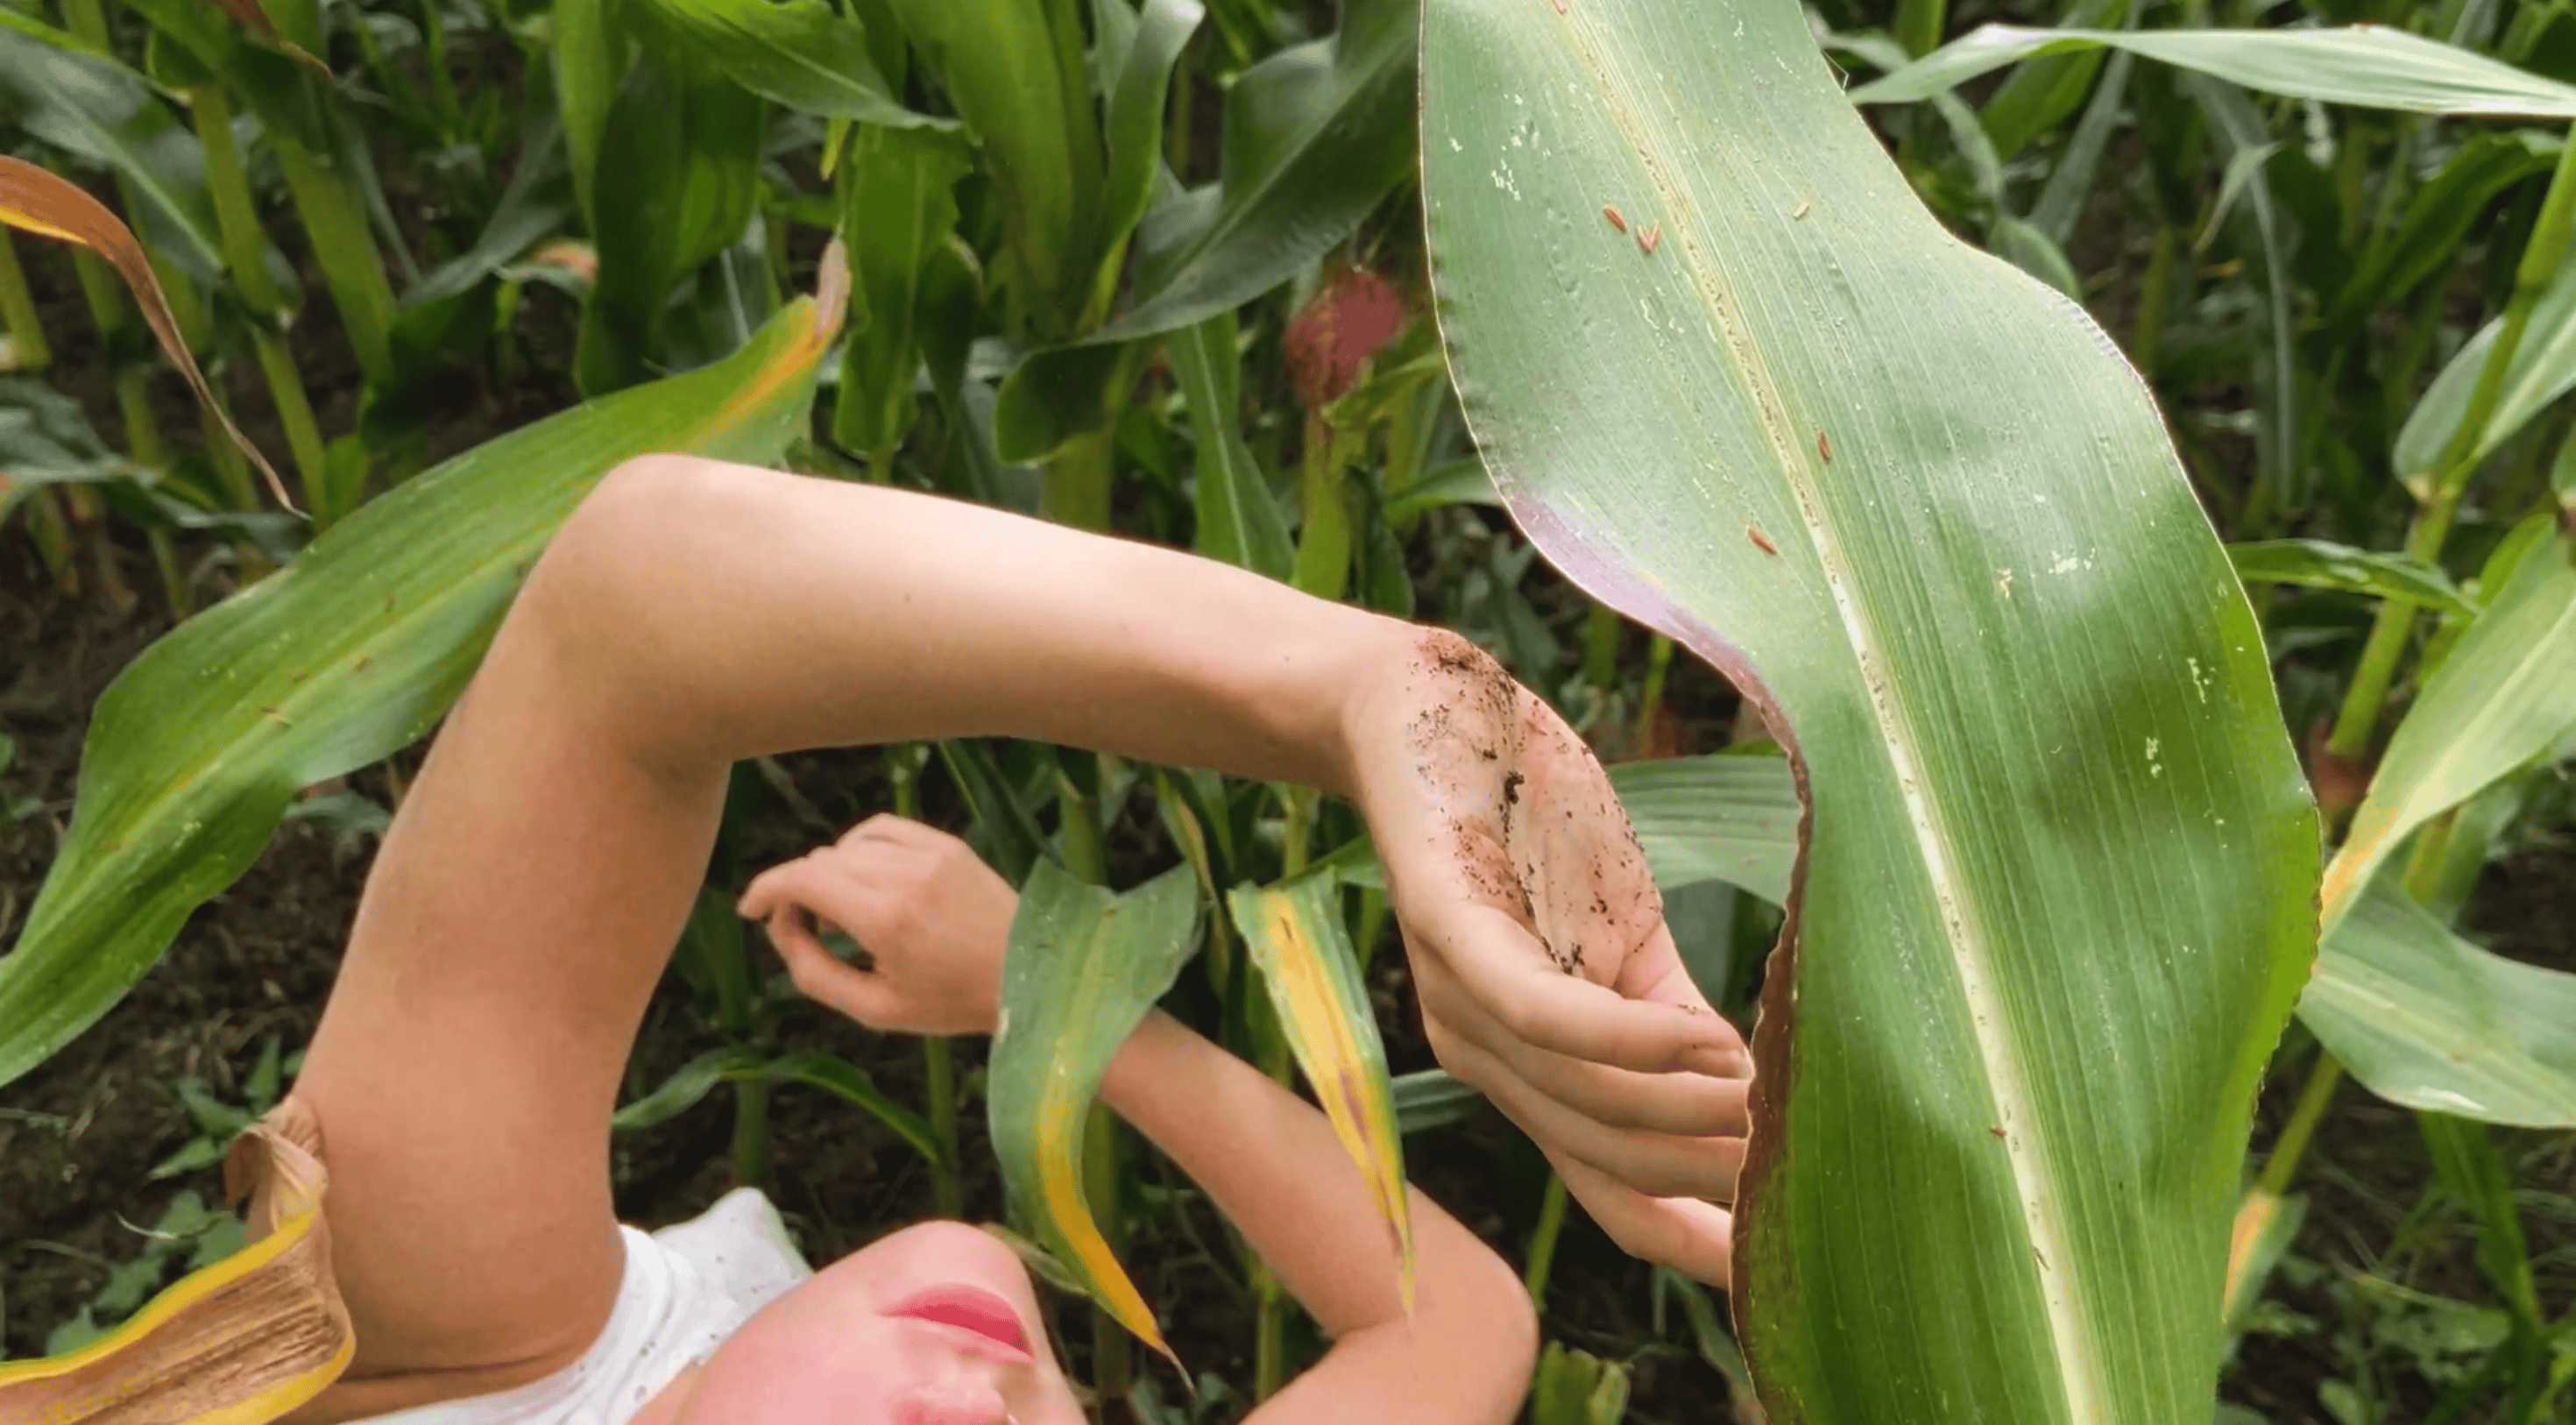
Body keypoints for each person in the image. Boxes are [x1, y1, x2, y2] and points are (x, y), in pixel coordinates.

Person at [142, 454, 1752, 1422]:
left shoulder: (452, 1345)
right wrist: (1056, 996)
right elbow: (1452, 1324)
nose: (1009, 1396)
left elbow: (627, 623)